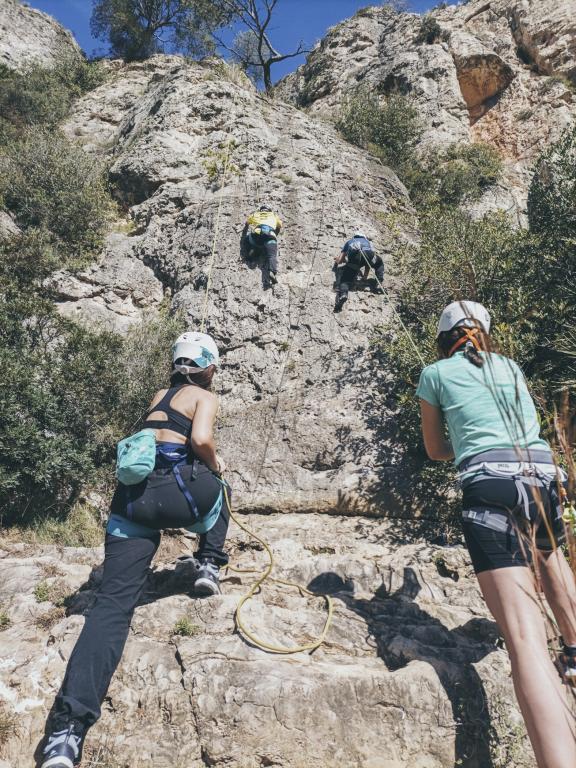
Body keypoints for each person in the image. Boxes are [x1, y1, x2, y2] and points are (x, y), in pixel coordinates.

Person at [40, 331, 231, 768]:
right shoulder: (205, 397)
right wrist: (215, 463)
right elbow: (200, 440)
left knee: (111, 608)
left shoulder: (158, 393)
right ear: (210, 368)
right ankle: (209, 563)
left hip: (132, 503)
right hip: (180, 496)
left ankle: (66, 734)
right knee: (222, 485)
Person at [417, 300, 576, 768]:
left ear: (445, 339)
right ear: (485, 333)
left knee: (526, 641)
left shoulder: (435, 374)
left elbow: (434, 448)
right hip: (542, 477)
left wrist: (463, 445)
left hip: (489, 485)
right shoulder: (510, 366)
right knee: (550, 558)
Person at [334, 231, 381, 312]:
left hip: (355, 257)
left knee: (345, 280)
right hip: (369, 254)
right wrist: (365, 277)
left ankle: (344, 294)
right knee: (379, 263)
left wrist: (336, 261)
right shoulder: (368, 242)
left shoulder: (350, 241)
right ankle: (379, 282)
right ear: (364, 237)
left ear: (355, 236)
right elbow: (368, 264)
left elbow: (340, 259)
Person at [241, 204, 282, 288]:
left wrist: (256, 215)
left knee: (246, 241)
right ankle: (272, 271)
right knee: (272, 255)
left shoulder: (256, 214)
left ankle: (251, 255)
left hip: (257, 235)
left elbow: (247, 222)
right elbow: (279, 225)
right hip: (270, 236)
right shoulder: (274, 215)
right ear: (269, 210)